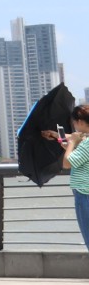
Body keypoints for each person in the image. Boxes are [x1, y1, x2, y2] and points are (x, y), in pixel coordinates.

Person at [46, 105, 89, 250]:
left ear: (80, 122)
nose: (74, 126)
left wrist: (71, 145)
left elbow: (66, 163)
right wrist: (57, 136)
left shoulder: (86, 144)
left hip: (84, 194)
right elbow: (77, 142)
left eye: (74, 123)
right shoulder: (85, 140)